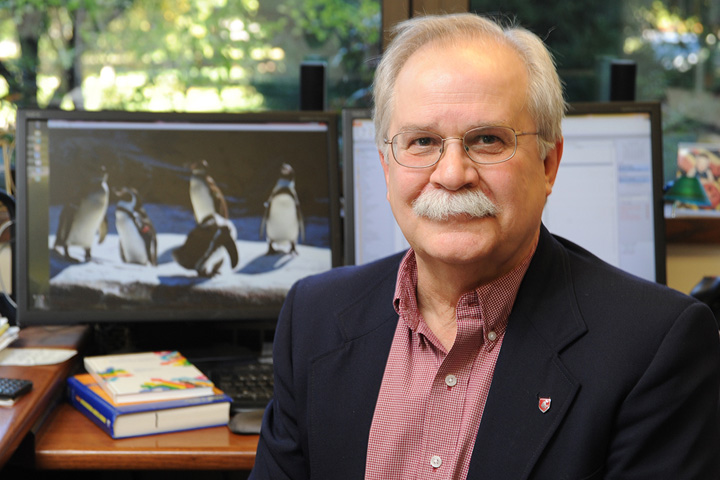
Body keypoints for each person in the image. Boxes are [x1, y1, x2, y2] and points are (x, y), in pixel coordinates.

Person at [250, 13, 720, 480]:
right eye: (422, 142)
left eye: (488, 140)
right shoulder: (313, 318)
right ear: (386, 168)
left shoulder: (654, 345)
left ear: (548, 164)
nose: (452, 174)